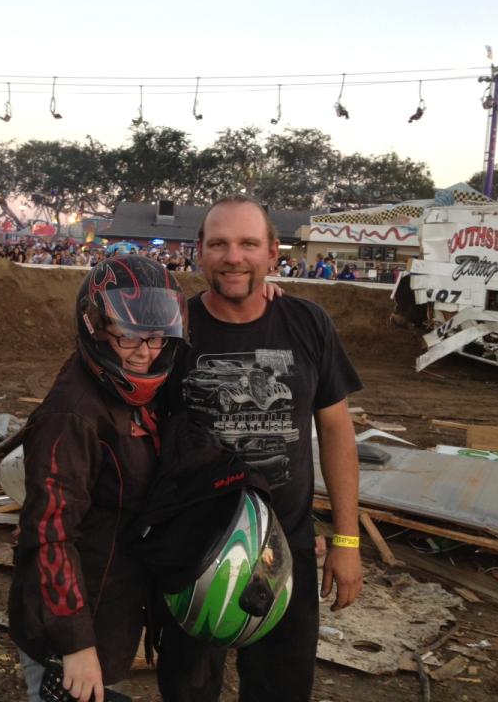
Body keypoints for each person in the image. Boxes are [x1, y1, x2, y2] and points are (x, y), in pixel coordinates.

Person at [156, 195, 363, 702]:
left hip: (284, 549)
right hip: (193, 548)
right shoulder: (168, 330)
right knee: (188, 690)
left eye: (249, 243)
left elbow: (336, 430)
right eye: (220, 244)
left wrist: (347, 541)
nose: (234, 257)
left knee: (281, 690)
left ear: (274, 252)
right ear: (198, 252)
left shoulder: (307, 323)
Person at [8, 255, 188, 702]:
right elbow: (49, 533)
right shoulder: (73, 414)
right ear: (96, 329)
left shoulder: (131, 393)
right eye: (128, 337)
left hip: (112, 606)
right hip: (72, 618)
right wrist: (76, 643)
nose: (146, 352)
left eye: (157, 337)